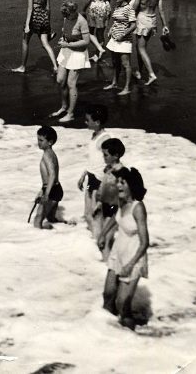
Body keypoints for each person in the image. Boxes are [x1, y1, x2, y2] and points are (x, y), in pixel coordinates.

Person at [103, 167, 149, 330]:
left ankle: (131, 339)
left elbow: (145, 242)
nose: (118, 185)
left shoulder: (138, 208)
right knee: (108, 295)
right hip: (117, 253)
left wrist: (130, 265)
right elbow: (116, 219)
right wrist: (103, 233)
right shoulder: (121, 202)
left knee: (123, 304)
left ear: (132, 185)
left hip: (133, 257)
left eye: (123, 182)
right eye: (118, 182)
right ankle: (105, 334)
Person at [52, 1, 92, 123]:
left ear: (74, 11)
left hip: (78, 53)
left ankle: (70, 113)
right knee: (60, 80)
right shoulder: (66, 17)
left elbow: (86, 41)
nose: (68, 17)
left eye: (70, 14)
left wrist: (68, 44)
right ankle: (64, 107)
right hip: (66, 50)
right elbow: (66, 33)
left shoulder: (82, 21)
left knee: (71, 83)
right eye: (66, 15)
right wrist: (63, 39)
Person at [13, 0, 57, 73]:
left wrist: (28, 25)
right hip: (44, 17)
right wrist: (48, 25)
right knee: (45, 43)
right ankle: (56, 66)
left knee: (25, 41)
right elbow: (48, 8)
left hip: (34, 17)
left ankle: (22, 66)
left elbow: (30, 9)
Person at [130, 0, 169, 86]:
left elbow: (133, 8)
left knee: (141, 48)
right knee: (140, 47)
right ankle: (140, 72)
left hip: (142, 20)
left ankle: (151, 74)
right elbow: (161, 11)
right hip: (152, 21)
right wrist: (165, 25)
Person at [77, 107, 110, 241]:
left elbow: (110, 163)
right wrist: (83, 174)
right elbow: (92, 159)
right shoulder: (94, 135)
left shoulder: (104, 139)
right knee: (87, 213)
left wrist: (105, 185)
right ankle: (94, 240)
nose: (85, 122)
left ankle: (99, 241)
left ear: (97, 122)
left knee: (96, 215)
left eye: (88, 120)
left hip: (99, 181)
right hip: (91, 178)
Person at [103, 0, 137, 95]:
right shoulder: (118, 6)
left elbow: (133, 25)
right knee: (115, 62)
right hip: (114, 39)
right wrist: (111, 29)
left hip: (124, 40)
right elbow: (116, 21)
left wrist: (123, 34)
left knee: (125, 64)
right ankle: (114, 83)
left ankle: (127, 88)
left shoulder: (129, 9)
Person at [32, 126, 62, 229]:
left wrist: (46, 194)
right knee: (51, 219)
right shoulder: (50, 154)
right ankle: (65, 233)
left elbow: (52, 174)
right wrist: (42, 190)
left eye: (41, 140)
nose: (38, 142)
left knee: (38, 220)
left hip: (51, 190)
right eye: (38, 139)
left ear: (50, 142)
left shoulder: (47, 155)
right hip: (56, 189)